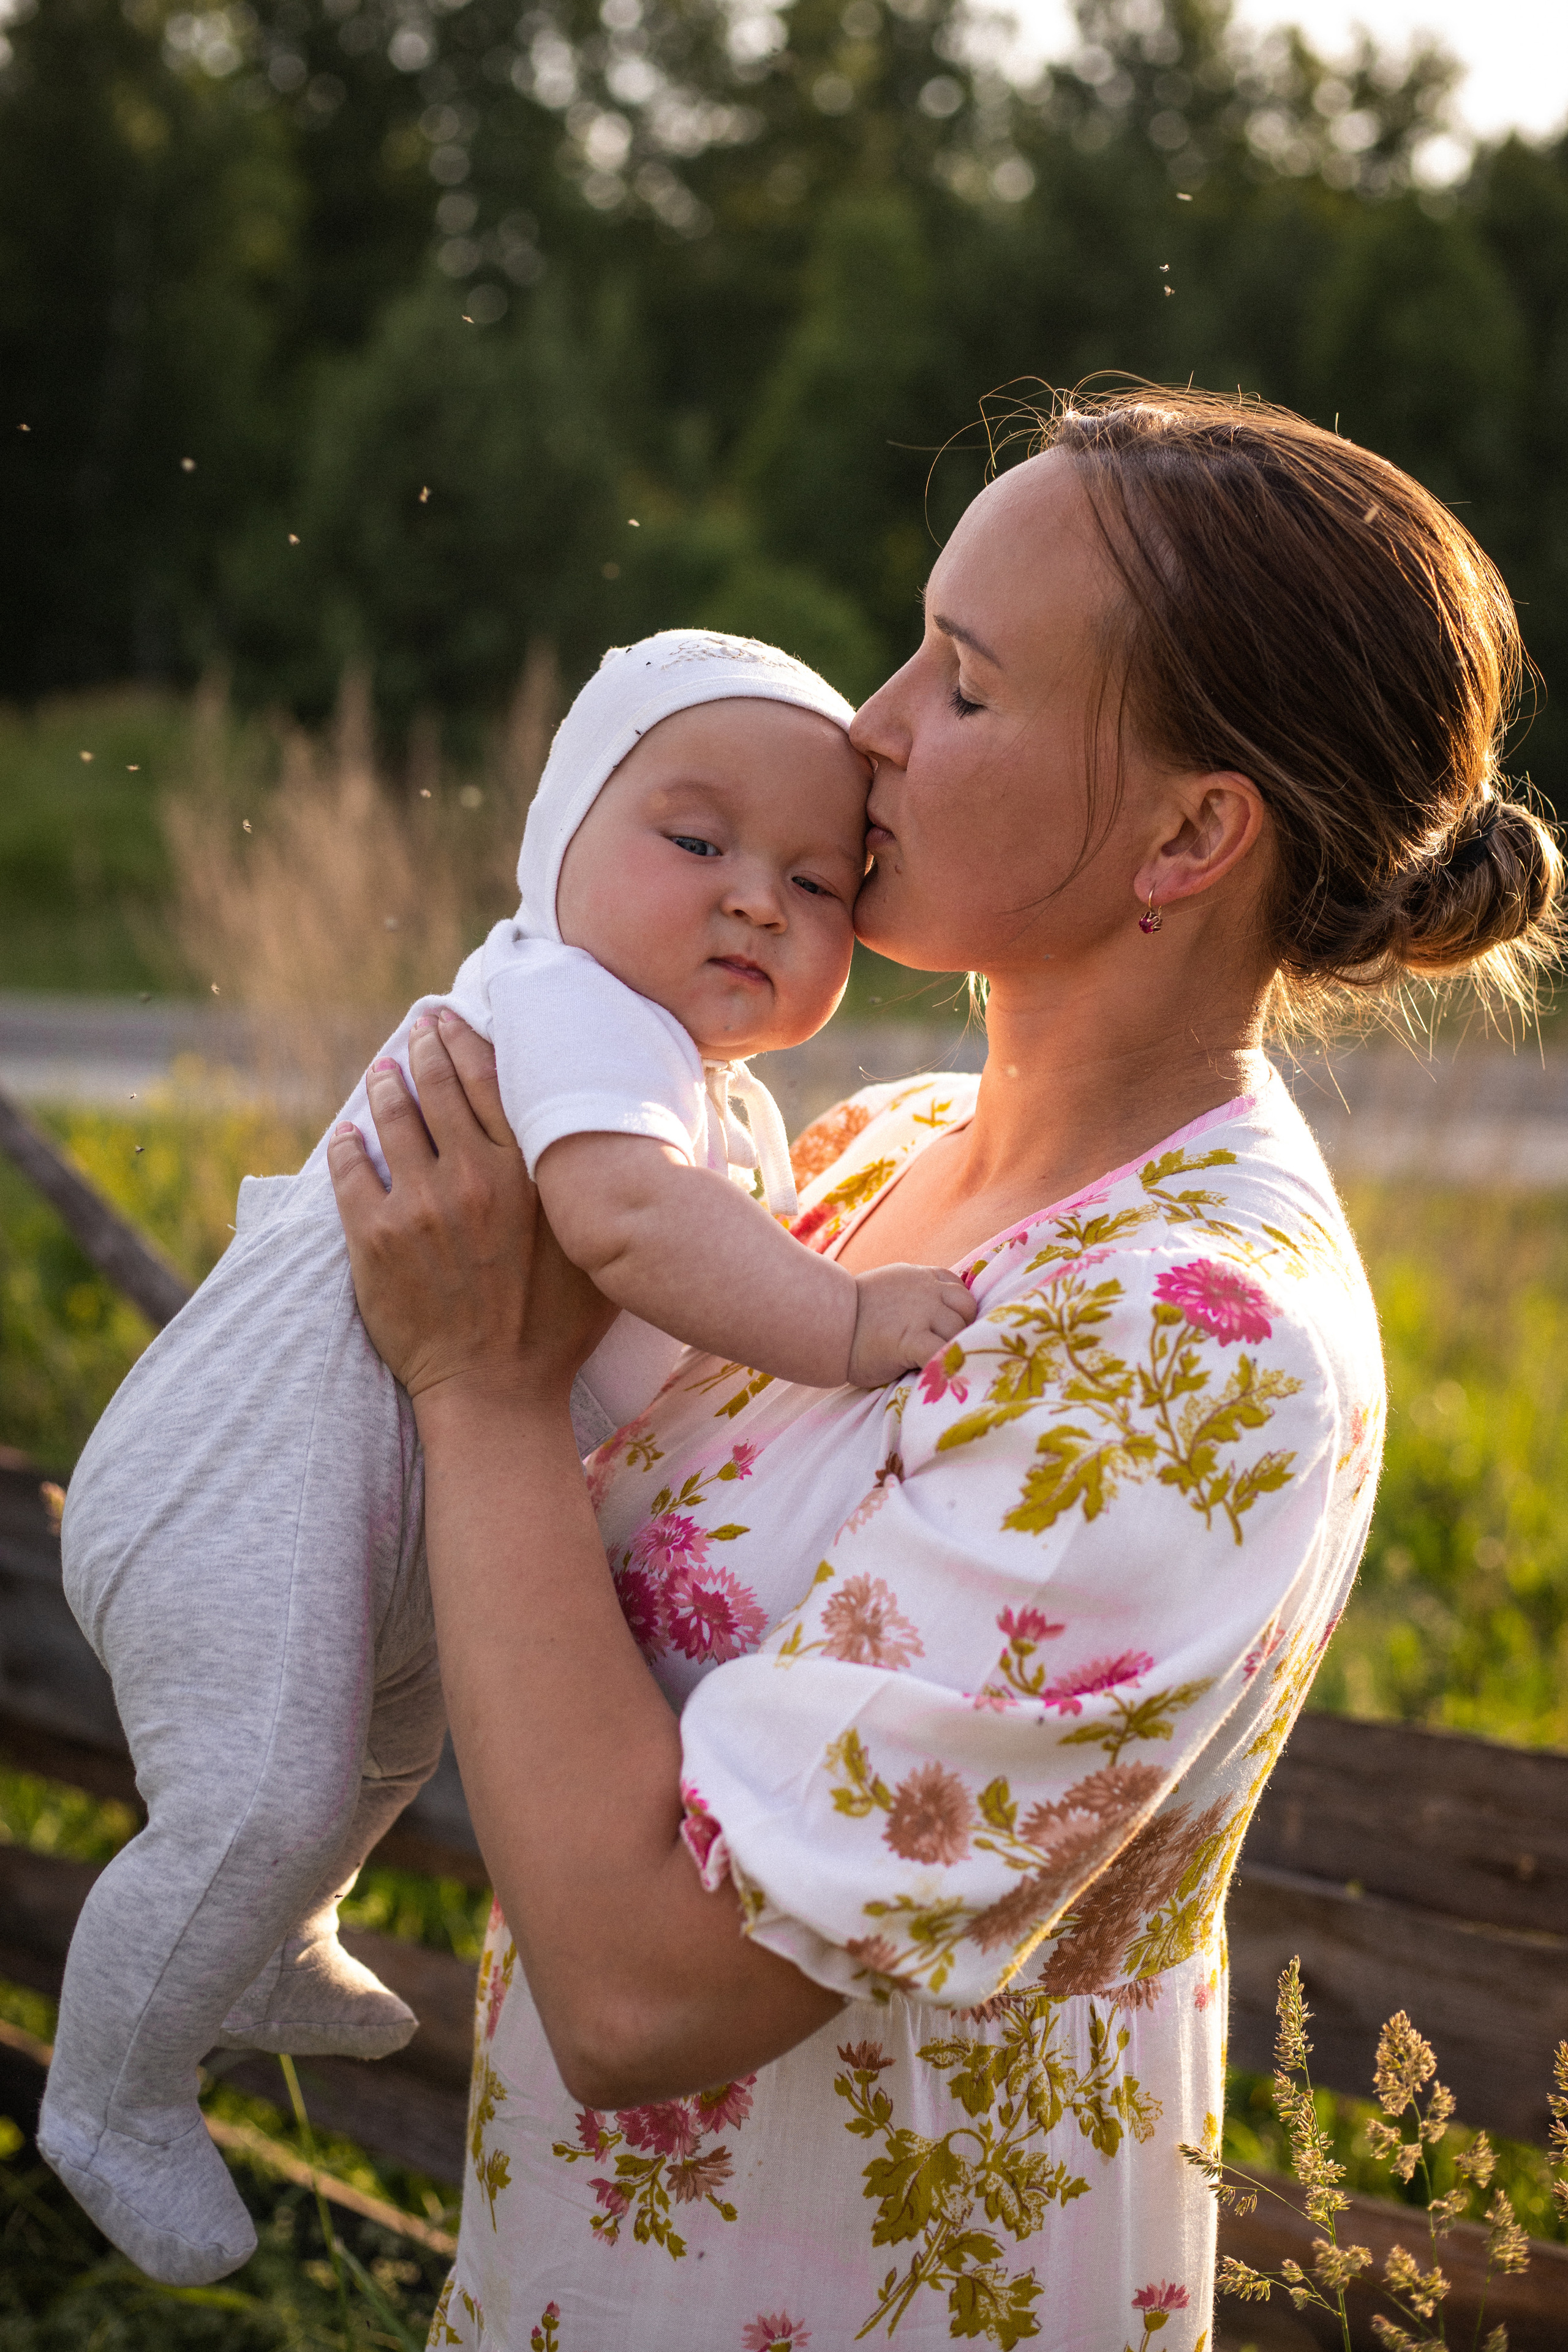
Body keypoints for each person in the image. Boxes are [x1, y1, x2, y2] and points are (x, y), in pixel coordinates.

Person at [329, 390, 1562, 2352]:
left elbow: (651, 1997)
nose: (868, 727)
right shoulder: (870, 1150)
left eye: (964, 686)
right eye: (912, 644)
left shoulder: (1191, 1350)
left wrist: (478, 1395)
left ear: (1188, 835)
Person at [43, 630, 973, 2289]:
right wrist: (841, 1325)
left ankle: (272, 1936)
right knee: (262, 1788)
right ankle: (106, 2095)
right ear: (559, 847)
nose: (757, 900)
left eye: (821, 882)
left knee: (388, 1727)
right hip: (236, 1491)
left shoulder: (695, 1085)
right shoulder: (569, 1007)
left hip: (379, 1509)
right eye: (696, 844)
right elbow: (625, 1223)